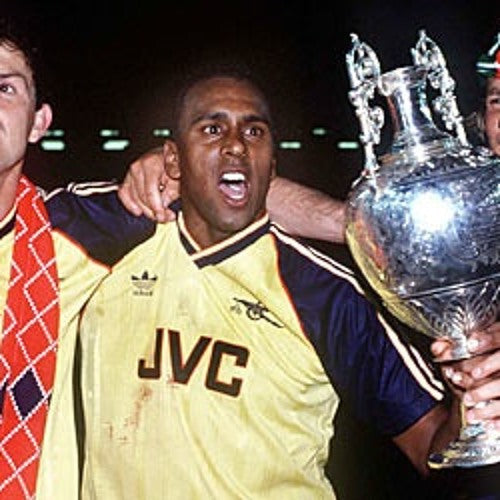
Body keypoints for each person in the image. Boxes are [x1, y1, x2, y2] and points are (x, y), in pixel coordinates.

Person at [78, 70, 499, 499]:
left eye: (254, 132)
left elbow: (430, 447)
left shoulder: (327, 294)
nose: (236, 145)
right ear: (172, 159)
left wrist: (470, 411)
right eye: (212, 129)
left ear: (273, 164)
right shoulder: (107, 248)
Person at [0, 25, 154, 499]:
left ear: (38, 122)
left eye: (5, 88)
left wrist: (349, 221)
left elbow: (229, 188)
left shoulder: (75, 232)